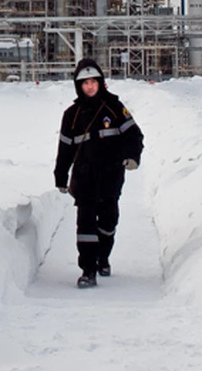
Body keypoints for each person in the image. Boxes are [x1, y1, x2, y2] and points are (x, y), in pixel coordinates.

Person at [53, 58, 144, 288]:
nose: (90, 86)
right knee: (85, 225)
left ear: (100, 82)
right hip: (84, 178)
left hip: (111, 176)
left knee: (108, 222)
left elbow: (134, 135)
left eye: (94, 81)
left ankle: (103, 257)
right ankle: (88, 270)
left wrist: (132, 157)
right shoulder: (71, 115)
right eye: (85, 83)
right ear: (78, 85)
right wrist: (61, 177)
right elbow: (65, 149)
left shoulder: (114, 108)